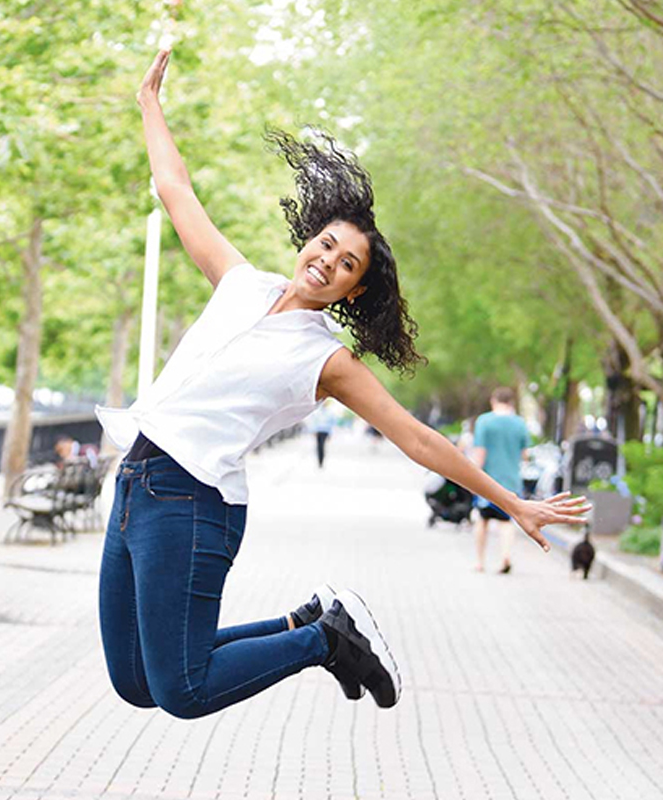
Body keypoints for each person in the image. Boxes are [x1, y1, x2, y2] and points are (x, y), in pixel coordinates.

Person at [95, 49, 590, 720]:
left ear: (356, 289)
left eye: (347, 262)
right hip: (136, 483)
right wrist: (150, 106)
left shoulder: (328, 361)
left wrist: (513, 503)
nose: (327, 261)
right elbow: (176, 190)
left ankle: (323, 642)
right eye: (326, 245)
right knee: (136, 682)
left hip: (192, 503)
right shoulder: (241, 283)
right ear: (308, 240)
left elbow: (416, 438)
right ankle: (312, 623)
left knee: (182, 691)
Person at [471, 387, 531, 574]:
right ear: (511, 402)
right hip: (511, 481)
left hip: (487, 481)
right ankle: (505, 556)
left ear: (493, 400)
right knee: (506, 522)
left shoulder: (484, 422)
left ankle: (480, 561)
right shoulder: (520, 423)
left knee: (483, 520)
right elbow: (525, 454)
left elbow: (480, 453)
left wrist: (473, 478)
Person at [306, 401, 336, 467]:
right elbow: (314, 421)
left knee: (322, 446)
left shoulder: (330, 412)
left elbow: (332, 423)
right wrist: (313, 430)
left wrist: (330, 433)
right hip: (318, 431)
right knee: (319, 446)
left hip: (325, 431)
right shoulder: (317, 412)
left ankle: (321, 460)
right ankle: (319, 460)